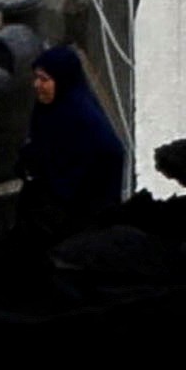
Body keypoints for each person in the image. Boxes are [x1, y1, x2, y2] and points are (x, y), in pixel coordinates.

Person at [25, 43, 123, 231]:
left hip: (81, 216)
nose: (36, 85)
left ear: (62, 81)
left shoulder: (84, 118)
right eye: (36, 78)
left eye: (44, 79)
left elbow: (109, 156)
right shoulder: (46, 109)